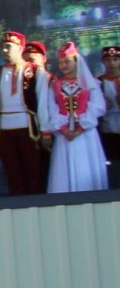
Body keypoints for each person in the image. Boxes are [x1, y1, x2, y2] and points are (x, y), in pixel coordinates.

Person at [0, 31, 50, 196]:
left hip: (29, 127)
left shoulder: (35, 71)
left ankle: (38, 205)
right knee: (12, 173)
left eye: (8, 47)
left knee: (33, 171)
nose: (4, 50)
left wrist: (46, 131)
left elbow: (43, 102)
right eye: (3, 47)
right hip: (4, 129)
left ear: (20, 48)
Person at [42, 42, 107, 194]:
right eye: (61, 62)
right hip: (65, 135)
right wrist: (64, 128)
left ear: (76, 61)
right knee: (64, 172)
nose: (63, 65)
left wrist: (81, 127)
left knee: (86, 168)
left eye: (67, 61)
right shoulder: (55, 85)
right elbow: (52, 108)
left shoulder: (90, 83)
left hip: (86, 134)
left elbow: (98, 106)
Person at [100, 45, 120, 189]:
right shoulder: (98, 82)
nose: (112, 63)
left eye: (115, 59)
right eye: (108, 60)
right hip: (108, 130)